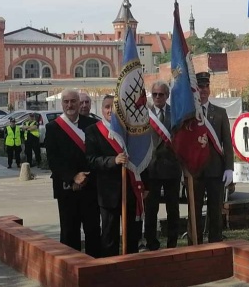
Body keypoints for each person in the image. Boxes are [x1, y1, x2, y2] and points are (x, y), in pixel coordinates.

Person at [44, 90, 101, 257]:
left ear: (79, 102)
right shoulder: (53, 127)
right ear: (62, 104)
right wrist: (73, 177)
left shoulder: (91, 124)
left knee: (93, 230)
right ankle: (70, 270)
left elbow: (95, 154)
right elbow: (53, 160)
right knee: (69, 232)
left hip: (89, 187)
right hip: (66, 188)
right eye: (66, 101)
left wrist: (84, 177)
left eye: (73, 101)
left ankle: (94, 267)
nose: (70, 105)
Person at [86, 95, 140, 256]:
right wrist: (113, 160)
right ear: (102, 109)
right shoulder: (93, 131)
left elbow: (141, 158)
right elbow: (91, 160)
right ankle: (110, 268)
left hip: (129, 189)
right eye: (107, 107)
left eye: (113, 107)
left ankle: (131, 265)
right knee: (109, 234)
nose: (110, 110)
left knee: (132, 234)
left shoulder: (129, 130)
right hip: (108, 192)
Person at [193, 72, 233, 244]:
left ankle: (215, 242)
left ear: (209, 89)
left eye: (206, 86)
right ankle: (195, 243)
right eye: (200, 87)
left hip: (215, 169)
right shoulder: (190, 114)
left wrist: (230, 167)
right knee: (194, 211)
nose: (203, 90)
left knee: (215, 209)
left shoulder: (220, 113)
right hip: (195, 170)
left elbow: (227, 142)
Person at [145, 82, 181, 250]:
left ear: (167, 96)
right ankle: (152, 243)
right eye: (155, 94)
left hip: (171, 167)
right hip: (151, 169)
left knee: (172, 209)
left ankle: (172, 243)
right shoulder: (145, 114)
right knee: (151, 210)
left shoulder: (175, 113)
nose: (158, 97)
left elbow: (181, 140)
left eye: (161, 94)